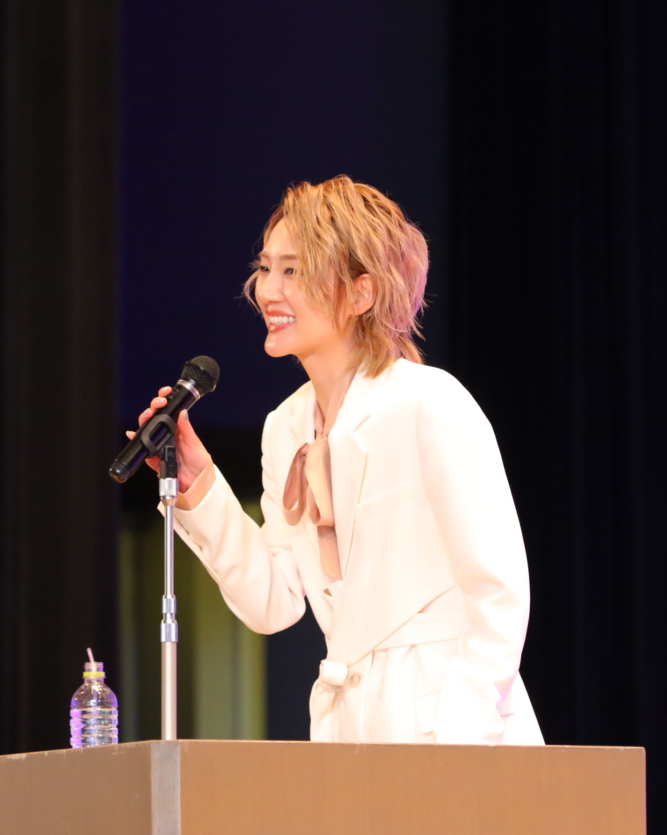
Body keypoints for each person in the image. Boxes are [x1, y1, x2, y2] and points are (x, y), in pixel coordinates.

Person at [129, 176, 543, 745]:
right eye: (265, 268)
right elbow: (273, 602)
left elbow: (498, 591)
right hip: (349, 729)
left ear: (361, 292)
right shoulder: (285, 427)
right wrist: (199, 485)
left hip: (449, 721)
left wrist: (457, 735)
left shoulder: (428, 401)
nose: (268, 291)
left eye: (294, 270)